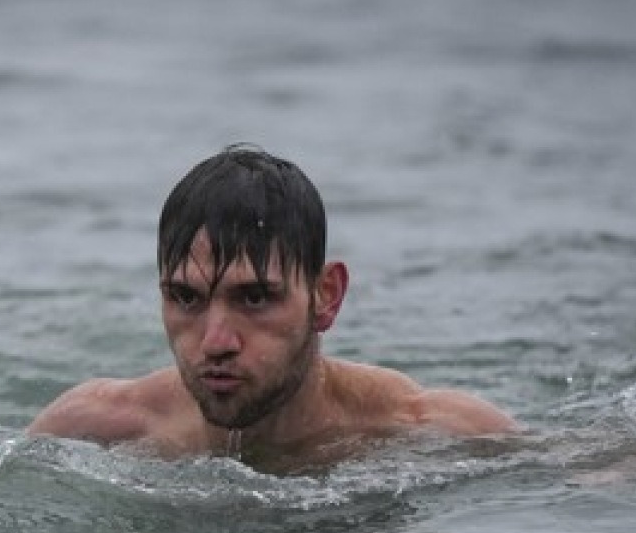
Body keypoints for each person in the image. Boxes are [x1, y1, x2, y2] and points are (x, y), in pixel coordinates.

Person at [27, 144, 519, 474]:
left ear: (326, 296)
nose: (216, 342)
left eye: (255, 298)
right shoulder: (95, 426)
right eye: (186, 298)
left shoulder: (428, 432)